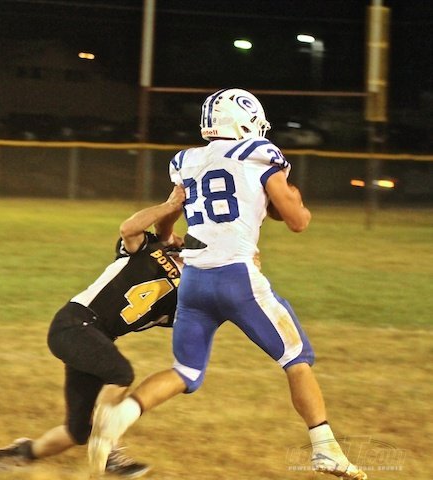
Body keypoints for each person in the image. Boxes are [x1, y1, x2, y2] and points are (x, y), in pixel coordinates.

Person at [88, 88, 367, 480]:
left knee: (186, 370)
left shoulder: (187, 160)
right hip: (238, 278)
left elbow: (167, 221)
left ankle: (116, 421)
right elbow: (297, 221)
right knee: (296, 358)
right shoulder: (259, 152)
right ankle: (325, 449)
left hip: (194, 282)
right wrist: (294, 198)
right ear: (246, 122)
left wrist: (170, 238)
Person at [0, 185, 186, 478]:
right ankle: (108, 449)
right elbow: (129, 228)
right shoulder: (148, 249)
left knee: (77, 431)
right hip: (75, 323)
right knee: (120, 373)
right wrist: (171, 205)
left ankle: (21, 452)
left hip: (94, 337)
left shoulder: (187, 296)